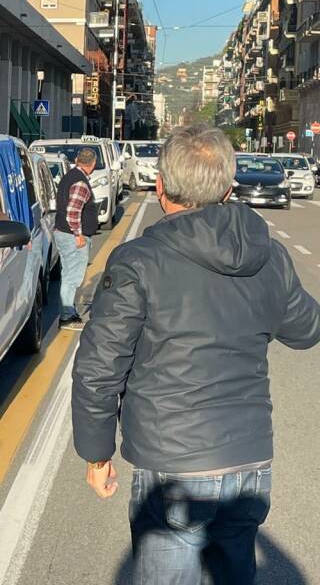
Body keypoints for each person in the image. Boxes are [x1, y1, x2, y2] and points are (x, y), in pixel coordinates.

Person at [72, 125, 320, 585]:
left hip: (173, 466)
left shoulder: (137, 260)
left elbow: (99, 368)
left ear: (161, 186)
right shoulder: (269, 255)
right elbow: (306, 330)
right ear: (228, 189)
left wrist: (96, 452)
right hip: (248, 460)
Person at [53, 147, 97, 328]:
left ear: (77, 159)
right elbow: (73, 212)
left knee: (67, 274)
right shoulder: (80, 183)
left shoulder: (69, 176)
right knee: (73, 277)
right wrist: (78, 234)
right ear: (93, 164)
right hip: (72, 236)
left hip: (63, 233)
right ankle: (67, 314)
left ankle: (68, 310)